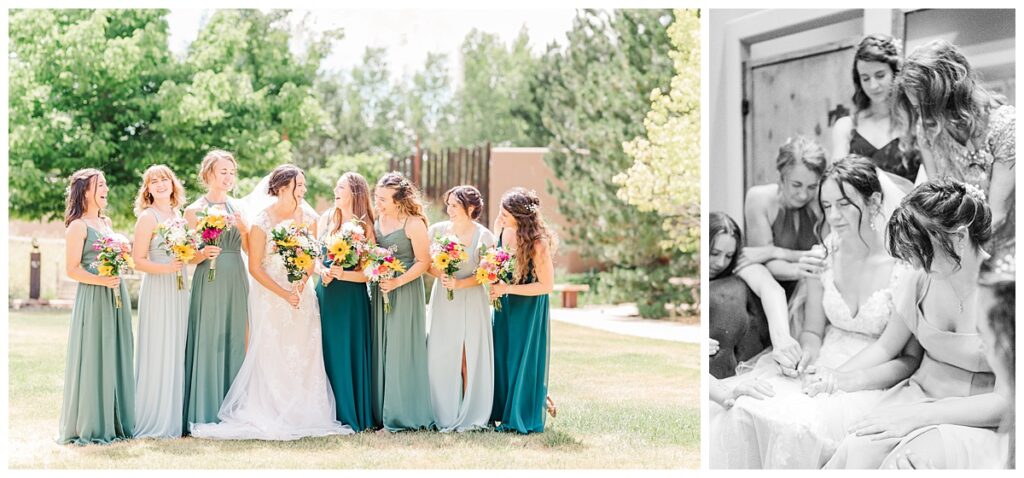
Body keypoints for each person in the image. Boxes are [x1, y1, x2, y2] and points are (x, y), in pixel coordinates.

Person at [712, 156, 911, 469]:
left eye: (844, 204)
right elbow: (814, 330)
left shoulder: (904, 264)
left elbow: (903, 356)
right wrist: (806, 355)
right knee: (747, 407)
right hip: (822, 362)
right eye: (827, 205)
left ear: (873, 202)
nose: (833, 216)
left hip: (874, 377)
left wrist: (841, 378)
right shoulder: (825, 254)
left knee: (799, 428)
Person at [824, 179, 1007, 469]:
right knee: (859, 450)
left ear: (960, 237)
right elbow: (887, 345)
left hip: (980, 418)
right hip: (918, 395)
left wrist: (919, 416)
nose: (917, 264)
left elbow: (1007, 401)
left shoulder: (1007, 294)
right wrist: (835, 376)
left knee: (903, 464)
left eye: (924, 251)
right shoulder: (920, 278)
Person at [190, 165, 352, 440]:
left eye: (303, 185)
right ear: (282, 187)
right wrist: (282, 292)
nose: (303, 190)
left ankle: (305, 411)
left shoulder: (309, 217)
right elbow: (254, 266)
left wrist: (299, 288)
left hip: (301, 296)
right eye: (299, 185)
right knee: (272, 350)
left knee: (304, 351)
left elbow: (311, 259)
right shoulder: (261, 221)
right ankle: (270, 409)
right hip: (269, 296)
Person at [892, 39, 1015, 231]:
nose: (925, 117)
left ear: (951, 95)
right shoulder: (926, 127)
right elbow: (938, 200)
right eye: (917, 108)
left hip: (1004, 244)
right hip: (955, 239)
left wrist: (960, 251)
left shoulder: (1006, 125)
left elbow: (997, 215)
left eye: (929, 106)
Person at [58, 168, 135, 444]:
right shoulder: (78, 226)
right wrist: (100, 281)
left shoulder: (107, 222)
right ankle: (92, 422)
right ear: (85, 191)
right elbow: (72, 269)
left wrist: (122, 257)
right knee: (94, 353)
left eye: (105, 184)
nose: (106, 189)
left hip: (115, 293)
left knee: (116, 351)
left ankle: (116, 420)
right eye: (100, 185)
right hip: (93, 296)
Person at [182, 150, 250, 433]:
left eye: (232, 173)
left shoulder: (239, 208)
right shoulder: (194, 210)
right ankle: (205, 409)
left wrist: (244, 228)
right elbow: (188, 255)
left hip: (236, 274)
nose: (229, 177)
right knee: (210, 338)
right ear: (209, 173)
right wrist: (203, 252)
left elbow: (249, 249)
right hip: (209, 277)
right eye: (223, 172)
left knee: (236, 338)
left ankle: (233, 410)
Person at [426, 185, 496, 432]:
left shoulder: (484, 236)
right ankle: (443, 412)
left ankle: (471, 412)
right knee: (441, 354)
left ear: (472, 208)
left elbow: (488, 273)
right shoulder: (436, 231)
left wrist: (460, 283)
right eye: (449, 204)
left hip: (473, 300)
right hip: (445, 299)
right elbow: (426, 264)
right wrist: (442, 274)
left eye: (455, 205)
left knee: (468, 355)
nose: (449, 209)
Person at [371, 172, 434, 431]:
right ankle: (379, 411)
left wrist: (397, 282)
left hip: (405, 290)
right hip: (380, 289)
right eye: (377, 197)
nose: (378, 203)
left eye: (384, 199)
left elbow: (424, 262)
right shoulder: (377, 219)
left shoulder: (413, 223)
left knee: (400, 348)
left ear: (398, 200)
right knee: (381, 345)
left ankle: (401, 413)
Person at [315, 172, 377, 432]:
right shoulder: (327, 218)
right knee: (325, 351)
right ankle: (325, 413)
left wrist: (344, 274)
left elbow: (371, 272)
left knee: (345, 351)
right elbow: (315, 257)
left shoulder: (365, 227)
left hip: (351, 299)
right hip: (326, 293)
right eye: (336, 186)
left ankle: (350, 412)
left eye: (341, 187)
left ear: (355, 192)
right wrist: (322, 270)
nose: (335, 190)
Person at [490, 188, 555, 434]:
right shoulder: (504, 231)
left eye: (505, 213)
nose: (501, 216)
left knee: (520, 356)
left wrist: (508, 289)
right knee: (502, 355)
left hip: (527, 307)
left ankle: (521, 413)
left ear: (519, 215)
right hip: (504, 304)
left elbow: (547, 286)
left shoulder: (538, 244)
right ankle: (501, 410)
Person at [131, 165, 190, 438]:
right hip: (158, 287)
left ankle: (174, 416)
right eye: (153, 181)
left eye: (164, 179)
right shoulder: (148, 217)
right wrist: (168, 268)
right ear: (148, 189)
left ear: (173, 183)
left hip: (179, 288)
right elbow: (138, 260)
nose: (160, 184)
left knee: (176, 345)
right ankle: (153, 417)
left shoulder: (178, 215)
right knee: (159, 346)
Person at [708, 212, 800, 379]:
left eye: (728, 255)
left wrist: (782, 339)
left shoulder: (738, 263)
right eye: (714, 253)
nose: (721, 263)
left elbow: (771, 289)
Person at [741, 136, 827, 299]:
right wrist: (798, 267)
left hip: (816, 289)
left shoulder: (823, 201)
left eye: (812, 187)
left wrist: (776, 252)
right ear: (780, 176)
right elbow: (763, 261)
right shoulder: (759, 199)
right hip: (771, 290)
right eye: (796, 185)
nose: (803, 195)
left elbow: (827, 256)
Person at [831, 34, 920, 186]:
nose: (873, 85)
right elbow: (836, 183)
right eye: (865, 78)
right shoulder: (846, 126)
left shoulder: (916, 124)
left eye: (880, 75)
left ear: (896, 73)